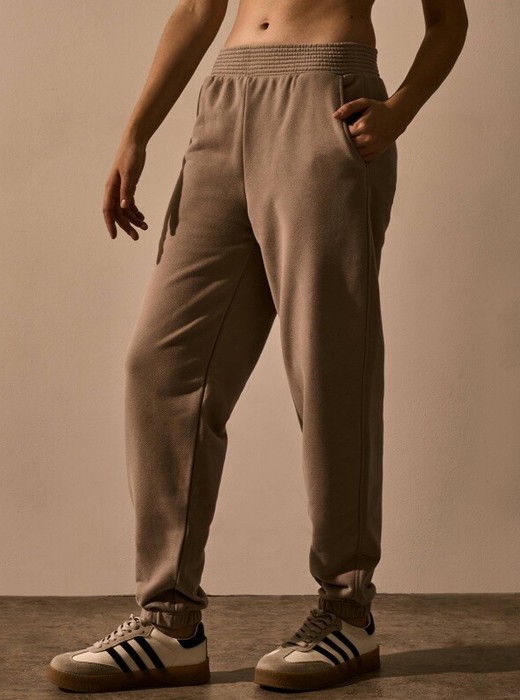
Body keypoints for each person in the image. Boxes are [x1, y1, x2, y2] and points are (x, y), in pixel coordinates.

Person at [47, 0, 468, 693]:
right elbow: (198, 8)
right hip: (224, 103)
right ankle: (170, 625)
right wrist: (137, 132)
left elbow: (448, 21)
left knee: (329, 364)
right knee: (161, 367)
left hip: (327, 101)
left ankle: (348, 610)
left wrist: (399, 110)